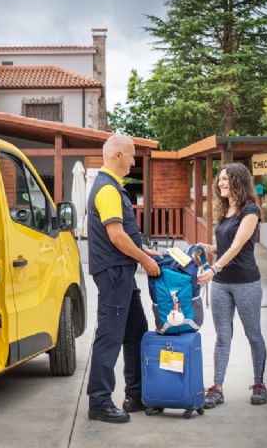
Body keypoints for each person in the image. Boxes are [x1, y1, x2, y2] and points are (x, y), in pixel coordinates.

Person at [86, 134, 161, 424]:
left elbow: (125, 235)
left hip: (122, 274)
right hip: (114, 274)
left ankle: (136, 394)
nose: (133, 160)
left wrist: (147, 250)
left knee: (136, 331)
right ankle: (100, 402)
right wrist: (145, 260)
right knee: (110, 337)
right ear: (118, 156)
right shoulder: (107, 190)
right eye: (131, 155)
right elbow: (115, 235)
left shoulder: (114, 189)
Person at [196, 163, 267, 409]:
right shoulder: (225, 211)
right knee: (222, 337)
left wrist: (214, 267)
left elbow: (238, 245)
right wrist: (209, 249)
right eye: (220, 179)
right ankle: (217, 388)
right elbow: (226, 245)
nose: (220, 183)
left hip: (246, 283)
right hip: (221, 285)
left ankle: (259, 383)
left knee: (253, 335)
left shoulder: (251, 210)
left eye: (226, 179)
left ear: (238, 181)